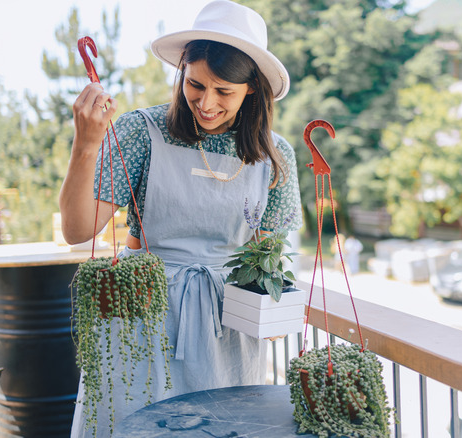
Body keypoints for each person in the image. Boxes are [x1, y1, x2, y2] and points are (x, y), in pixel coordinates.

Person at [59, 1, 302, 435]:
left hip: (226, 328)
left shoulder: (275, 156)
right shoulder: (141, 131)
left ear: (252, 91)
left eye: (224, 91)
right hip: (140, 313)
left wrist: (275, 312)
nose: (206, 103)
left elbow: (267, 258)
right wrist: (86, 145)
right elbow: (78, 230)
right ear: (181, 74)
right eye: (196, 84)